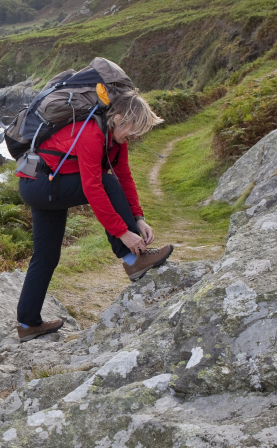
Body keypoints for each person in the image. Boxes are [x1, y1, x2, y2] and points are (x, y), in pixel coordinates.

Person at [15, 84, 172, 343]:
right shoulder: (91, 133)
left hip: (44, 183)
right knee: (106, 183)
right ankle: (133, 259)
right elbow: (93, 187)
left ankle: (27, 323)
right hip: (39, 184)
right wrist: (124, 234)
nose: (135, 137)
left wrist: (139, 219)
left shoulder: (115, 139)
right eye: (134, 131)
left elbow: (125, 177)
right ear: (118, 119)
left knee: (46, 255)